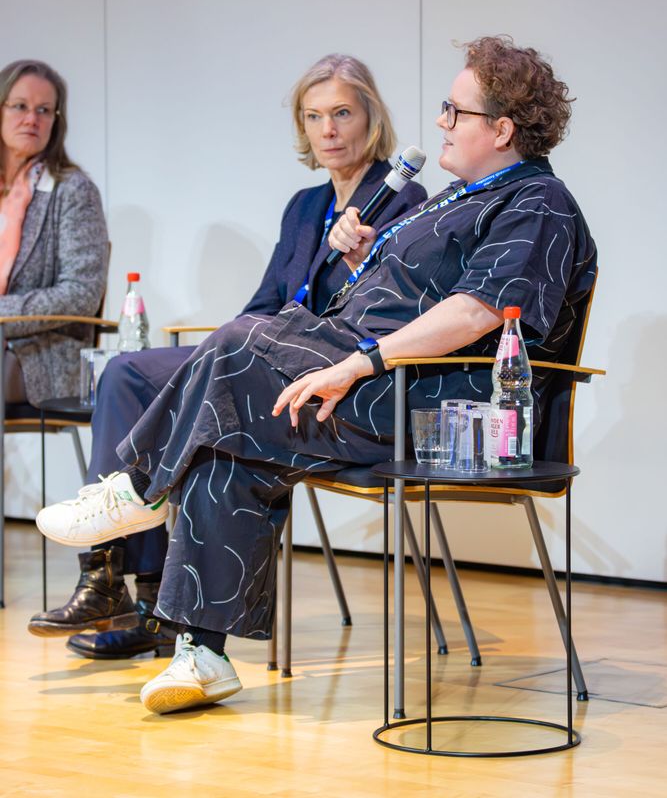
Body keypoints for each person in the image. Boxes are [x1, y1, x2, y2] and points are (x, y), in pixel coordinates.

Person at [37, 36, 597, 715]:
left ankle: (139, 489)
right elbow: (406, 294)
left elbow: (476, 310)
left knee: (240, 344)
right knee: (226, 446)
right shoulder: (461, 195)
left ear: (501, 129)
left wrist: (359, 361)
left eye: (455, 110)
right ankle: (202, 655)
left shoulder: (537, 202)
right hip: (371, 377)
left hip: (427, 404)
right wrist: (365, 262)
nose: (441, 121)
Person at [28, 53, 426, 658]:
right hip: (260, 350)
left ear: (371, 118)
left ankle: (147, 573)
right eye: (314, 116)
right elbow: (264, 303)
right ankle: (121, 584)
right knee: (127, 372)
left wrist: (354, 260)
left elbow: (388, 310)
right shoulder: (303, 206)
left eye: (343, 113)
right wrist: (225, 346)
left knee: (201, 404)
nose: (328, 130)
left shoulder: (403, 197)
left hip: (325, 373)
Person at [0, 60, 107, 406]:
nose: (32, 119)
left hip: (41, 354)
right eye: (20, 106)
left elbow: (81, 293)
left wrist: (4, 313)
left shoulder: (73, 190)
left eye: (44, 110)